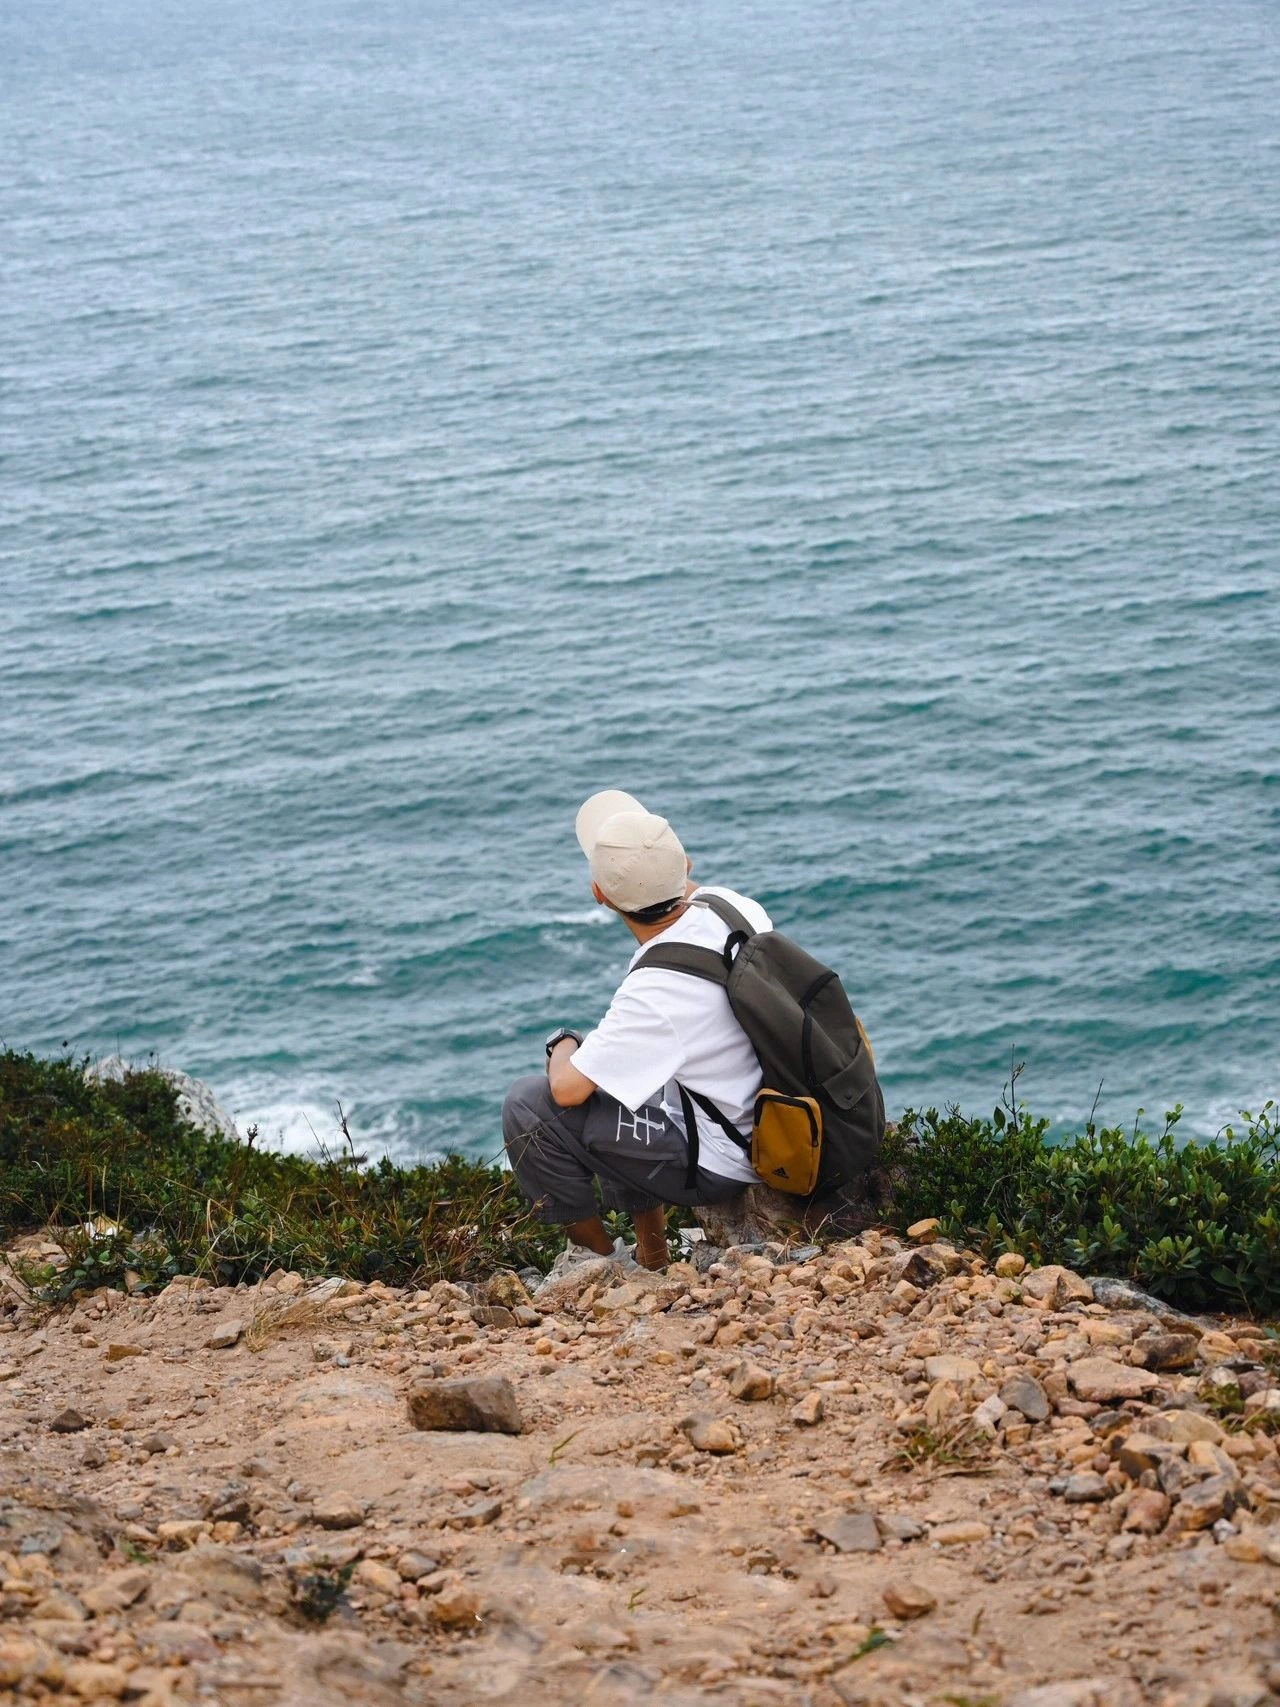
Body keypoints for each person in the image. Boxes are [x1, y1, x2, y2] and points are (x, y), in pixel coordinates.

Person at [502, 789, 765, 1270]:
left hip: (724, 1160)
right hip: (761, 1113)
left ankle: (602, 1264)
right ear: (685, 867)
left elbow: (566, 1090)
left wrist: (564, 1043)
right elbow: (684, 891)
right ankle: (653, 1253)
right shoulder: (732, 907)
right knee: (627, 1074)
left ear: (599, 895)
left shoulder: (654, 992)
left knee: (527, 1104)